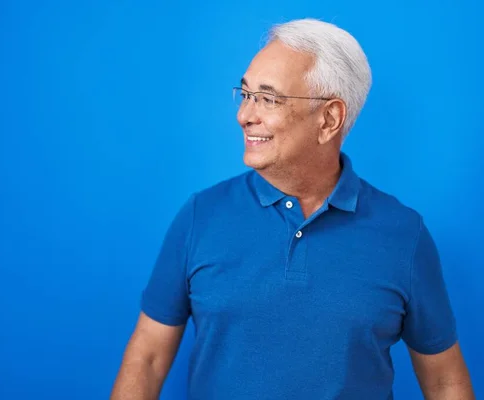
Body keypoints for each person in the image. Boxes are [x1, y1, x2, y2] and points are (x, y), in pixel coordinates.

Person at [110, 18, 474, 400]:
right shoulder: (201, 215)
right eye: (246, 93)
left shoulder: (404, 235)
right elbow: (148, 356)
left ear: (329, 119)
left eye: (268, 99)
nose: (244, 115)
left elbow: (445, 381)